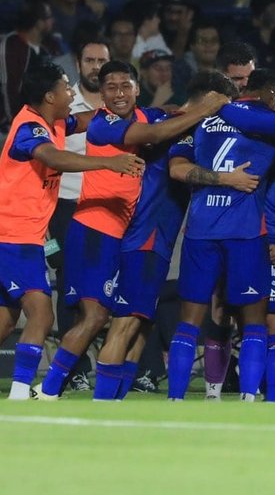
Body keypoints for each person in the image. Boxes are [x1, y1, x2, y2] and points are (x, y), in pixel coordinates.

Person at [0, 61, 145, 401]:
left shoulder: (52, 122)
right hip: (16, 236)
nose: (72, 93)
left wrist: (119, 109)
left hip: (13, 235)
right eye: (67, 88)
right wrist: (108, 162)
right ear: (49, 95)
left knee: (2, 322)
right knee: (42, 313)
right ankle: (21, 392)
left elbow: (84, 121)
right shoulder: (30, 127)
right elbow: (53, 158)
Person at [36, 60, 223, 399]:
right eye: (111, 87)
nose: (119, 93)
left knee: (133, 320)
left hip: (120, 233)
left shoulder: (149, 116)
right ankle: (48, 389)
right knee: (98, 318)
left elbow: (165, 117)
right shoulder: (104, 124)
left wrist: (190, 108)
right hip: (96, 228)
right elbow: (154, 135)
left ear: (138, 89)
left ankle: (108, 395)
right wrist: (207, 109)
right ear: (101, 94)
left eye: (126, 86)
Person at [165, 68, 275, 400]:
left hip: (200, 230)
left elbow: (177, 169)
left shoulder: (198, 120)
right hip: (246, 233)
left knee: (190, 321)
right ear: (271, 93)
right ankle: (248, 397)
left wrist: (218, 176)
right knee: (255, 321)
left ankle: (175, 397)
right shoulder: (268, 122)